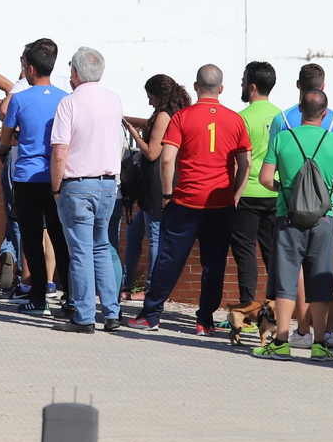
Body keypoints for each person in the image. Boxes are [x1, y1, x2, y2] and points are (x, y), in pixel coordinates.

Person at [126, 65, 250, 335]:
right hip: (220, 203)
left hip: (185, 201)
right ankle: (204, 321)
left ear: (196, 87)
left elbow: (167, 159)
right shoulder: (236, 120)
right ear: (222, 88)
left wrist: (168, 194)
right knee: (214, 264)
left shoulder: (182, 117)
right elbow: (245, 163)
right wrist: (235, 196)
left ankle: (151, 315)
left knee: (168, 260)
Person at [253, 88, 333, 362]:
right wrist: (323, 191)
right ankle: (320, 344)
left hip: (288, 218)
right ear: (324, 112)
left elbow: (264, 179)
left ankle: (281, 342)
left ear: (299, 109)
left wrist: (287, 190)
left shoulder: (283, 138)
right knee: (320, 281)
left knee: (286, 281)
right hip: (324, 220)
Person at [46, 47, 124, 333]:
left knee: (80, 251)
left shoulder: (69, 103)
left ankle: (84, 316)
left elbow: (59, 151)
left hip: (78, 184)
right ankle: (112, 313)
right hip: (108, 184)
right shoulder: (114, 99)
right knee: (102, 247)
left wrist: (55, 187)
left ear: (75, 73)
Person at [0, 39, 68, 315]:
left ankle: (37, 296)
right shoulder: (65, 98)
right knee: (60, 237)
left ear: (29, 68)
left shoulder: (20, 98)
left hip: (27, 177)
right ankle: (70, 297)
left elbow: (5, 136)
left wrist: (11, 140)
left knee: (31, 239)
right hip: (57, 177)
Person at [121, 75, 188, 299]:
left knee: (155, 237)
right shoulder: (173, 112)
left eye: (150, 97)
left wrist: (133, 134)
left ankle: (152, 289)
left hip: (157, 184)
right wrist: (135, 122)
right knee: (134, 232)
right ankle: (127, 283)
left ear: (159, 95)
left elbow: (152, 152)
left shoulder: (163, 115)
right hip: (159, 183)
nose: (149, 102)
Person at [231, 61, 282, 310]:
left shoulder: (241, 119)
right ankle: (274, 311)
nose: (240, 85)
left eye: (242, 81)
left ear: (252, 87)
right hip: (276, 193)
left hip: (247, 193)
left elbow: (238, 161)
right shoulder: (283, 118)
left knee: (245, 255)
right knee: (273, 256)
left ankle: (248, 310)